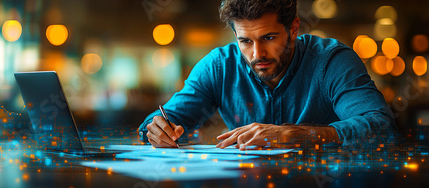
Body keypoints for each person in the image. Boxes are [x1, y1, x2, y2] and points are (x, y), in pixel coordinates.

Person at [138, 0, 397, 150]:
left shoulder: (331, 62)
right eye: (245, 41)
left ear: (294, 28)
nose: (256, 54)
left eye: (268, 38)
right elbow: (161, 120)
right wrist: (157, 128)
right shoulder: (219, 66)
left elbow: (382, 128)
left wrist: (303, 134)